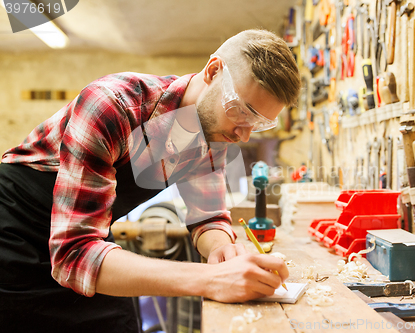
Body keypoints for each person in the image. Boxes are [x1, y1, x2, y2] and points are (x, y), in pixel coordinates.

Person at [0, 29, 301, 332]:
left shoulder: (213, 132)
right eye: (241, 112)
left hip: (86, 236)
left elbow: (208, 216)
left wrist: (223, 249)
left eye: (258, 124)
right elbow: (73, 255)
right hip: (16, 230)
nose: (243, 135)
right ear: (213, 71)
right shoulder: (113, 105)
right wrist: (212, 280)